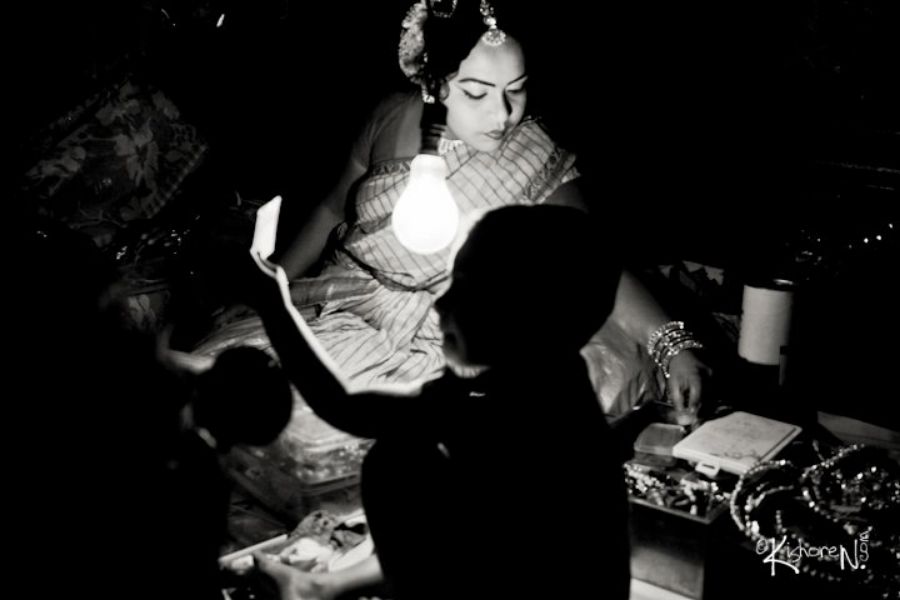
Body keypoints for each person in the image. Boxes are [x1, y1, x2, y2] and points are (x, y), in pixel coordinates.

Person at [196, 0, 709, 422]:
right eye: (476, 93)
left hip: (455, 333)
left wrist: (674, 345)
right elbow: (333, 207)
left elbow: (592, 263)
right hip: (348, 302)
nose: (502, 115)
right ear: (435, 83)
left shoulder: (533, 153)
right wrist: (272, 288)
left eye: (516, 91)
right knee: (234, 387)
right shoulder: (389, 116)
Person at [246, 204, 631, 599]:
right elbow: (349, 405)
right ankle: (320, 587)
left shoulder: (537, 418)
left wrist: (274, 305)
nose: (440, 304)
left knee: (398, 461)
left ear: (528, 316)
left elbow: (345, 408)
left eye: (465, 287)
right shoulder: (530, 376)